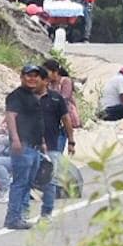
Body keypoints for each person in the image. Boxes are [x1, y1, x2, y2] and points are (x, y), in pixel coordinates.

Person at [3, 63, 50, 230]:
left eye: (35, 75)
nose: (32, 78)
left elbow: (37, 121)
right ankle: (13, 217)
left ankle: (20, 215)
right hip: (23, 146)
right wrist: (15, 139)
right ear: (22, 77)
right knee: (20, 182)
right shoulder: (16, 96)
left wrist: (42, 142)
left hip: (34, 146)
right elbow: (11, 116)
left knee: (28, 183)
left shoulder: (32, 96)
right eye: (28, 75)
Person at [34, 57, 75, 220]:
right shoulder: (29, 96)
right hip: (33, 143)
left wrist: (71, 141)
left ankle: (48, 209)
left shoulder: (58, 95)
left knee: (51, 170)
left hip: (55, 136)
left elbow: (65, 118)